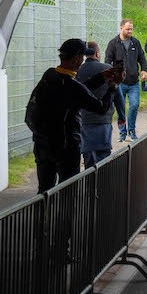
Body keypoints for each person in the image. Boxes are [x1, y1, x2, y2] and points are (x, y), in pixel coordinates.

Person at [25, 38, 120, 193]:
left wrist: (101, 77)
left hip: (42, 144)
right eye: (81, 58)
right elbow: (100, 107)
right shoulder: (72, 87)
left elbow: (79, 91)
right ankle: (65, 218)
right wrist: (113, 86)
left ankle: (43, 217)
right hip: (66, 147)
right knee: (69, 192)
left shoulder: (49, 76)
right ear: (76, 58)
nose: (82, 61)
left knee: (43, 190)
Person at [106, 19, 147, 141]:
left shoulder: (135, 43)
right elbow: (107, 61)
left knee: (134, 105)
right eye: (128, 29)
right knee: (120, 107)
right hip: (119, 83)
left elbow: (142, 58)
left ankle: (132, 130)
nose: (130, 31)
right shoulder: (113, 43)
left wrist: (144, 70)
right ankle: (122, 132)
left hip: (134, 81)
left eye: (131, 29)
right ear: (121, 28)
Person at [76, 42, 116, 169]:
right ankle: (102, 185)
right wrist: (122, 116)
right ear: (97, 53)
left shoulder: (77, 71)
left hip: (84, 120)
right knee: (104, 155)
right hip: (103, 119)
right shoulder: (107, 68)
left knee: (88, 154)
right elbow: (117, 93)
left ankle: (90, 186)